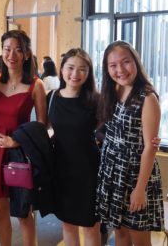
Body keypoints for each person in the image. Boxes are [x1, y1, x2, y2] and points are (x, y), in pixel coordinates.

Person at [96, 40, 164, 246]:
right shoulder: (112, 91)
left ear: (136, 62)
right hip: (113, 173)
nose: (120, 69)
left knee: (139, 237)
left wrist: (140, 189)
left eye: (125, 62)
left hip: (136, 175)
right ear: (107, 69)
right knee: (121, 233)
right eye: (113, 65)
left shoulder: (147, 97)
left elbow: (149, 148)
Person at [0, 30, 47, 246]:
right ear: (2, 52)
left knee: (22, 213)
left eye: (18, 50)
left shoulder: (35, 85)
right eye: (7, 49)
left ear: (27, 54)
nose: (12, 54)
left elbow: (42, 126)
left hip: (18, 155)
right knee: (0, 210)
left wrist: (18, 141)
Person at [47, 48, 100, 246]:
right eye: (70, 68)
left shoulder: (95, 100)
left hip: (89, 170)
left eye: (82, 69)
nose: (75, 74)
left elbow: (109, 129)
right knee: (67, 224)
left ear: (88, 73)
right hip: (62, 169)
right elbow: (42, 129)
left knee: (90, 226)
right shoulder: (51, 97)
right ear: (61, 70)